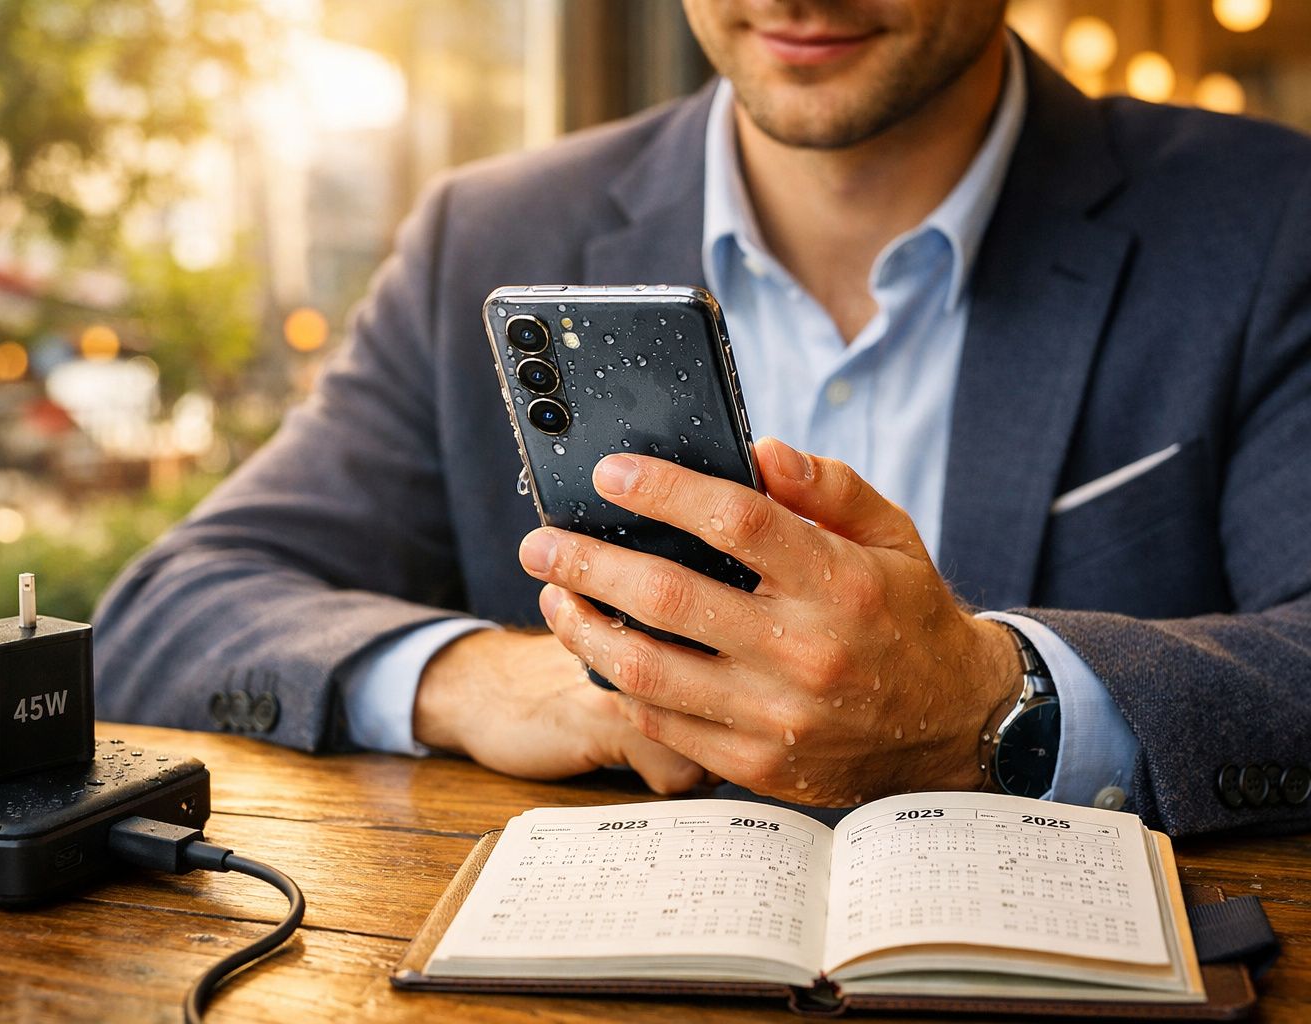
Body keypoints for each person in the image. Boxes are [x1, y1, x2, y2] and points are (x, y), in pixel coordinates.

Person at [94, 0, 1311, 838]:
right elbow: (168, 610)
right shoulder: (485, 236)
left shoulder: (1263, 223)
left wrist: (998, 701)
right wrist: (479, 682)